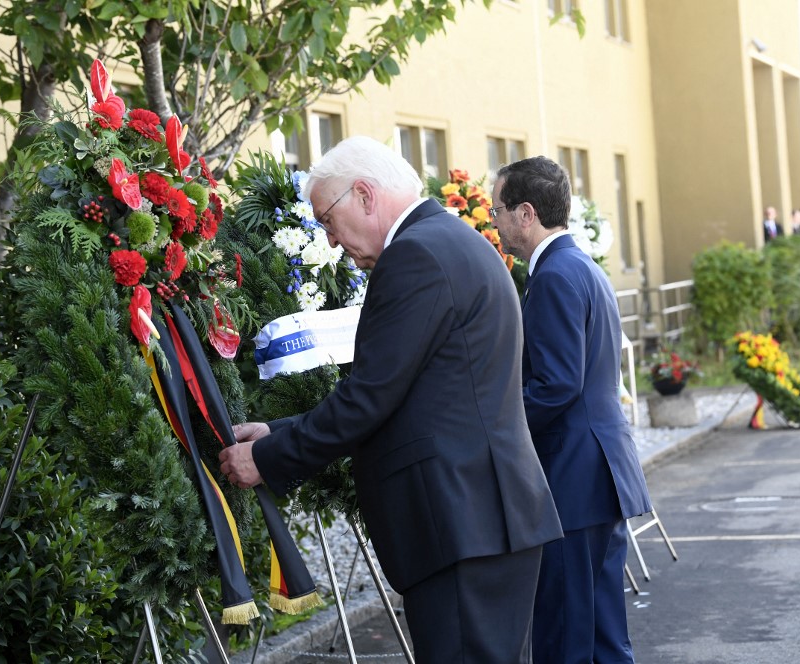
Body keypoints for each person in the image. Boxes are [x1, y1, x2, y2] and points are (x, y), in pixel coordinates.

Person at [220, 136, 563, 663]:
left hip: (463, 525)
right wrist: (279, 432)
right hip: (483, 519)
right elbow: (409, 393)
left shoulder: (416, 254)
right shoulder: (450, 241)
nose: (331, 242)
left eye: (328, 221)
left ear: (364, 194)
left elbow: (369, 398)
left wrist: (266, 458)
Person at [492, 156, 653, 664]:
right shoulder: (582, 266)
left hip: (574, 476)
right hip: (600, 473)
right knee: (605, 636)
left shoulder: (556, 274)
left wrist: (498, 428)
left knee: (565, 636)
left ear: (525, 213)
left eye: (497, 210)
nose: (493, 221)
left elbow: (557, 384)